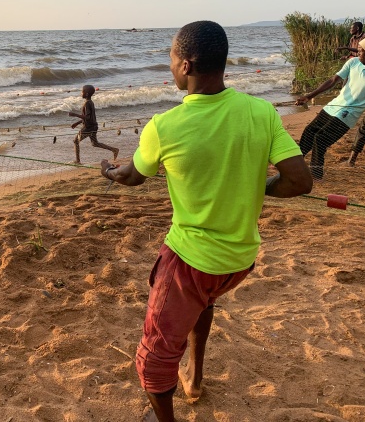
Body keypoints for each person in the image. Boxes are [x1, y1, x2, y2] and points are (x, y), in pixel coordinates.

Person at [99, 21, 313, 422]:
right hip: (240, 260)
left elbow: (130, 177)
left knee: (153, 360)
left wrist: (108, 171)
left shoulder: (165, 126)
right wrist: (256, 184)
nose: (170, 67)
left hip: (190, 260)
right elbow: (300, 181)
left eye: (171, 60)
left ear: (187, 64)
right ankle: (194, 376)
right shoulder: (262, 112)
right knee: (203, 303)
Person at [295, 34, 365, 179]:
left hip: (349, 114)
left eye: (360, 51)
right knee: (310, 131)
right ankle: (296, 162)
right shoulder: (353, 62)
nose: (357, 53)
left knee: (320, 139)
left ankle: (316, 174)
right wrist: (309, 96)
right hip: (334, 106)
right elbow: (333, 80)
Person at [69, 84, 119, 164]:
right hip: (93, 127)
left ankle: (77, 161)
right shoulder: (90, 102)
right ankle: (114, 150)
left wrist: (74, 115)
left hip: (88, 128)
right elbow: (89, 117)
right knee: (95, 143)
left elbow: (87, 117)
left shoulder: (87, 103)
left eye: (82, 92)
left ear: (87, 94)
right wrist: (77, 123)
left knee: (76, 141)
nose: (81, 93)